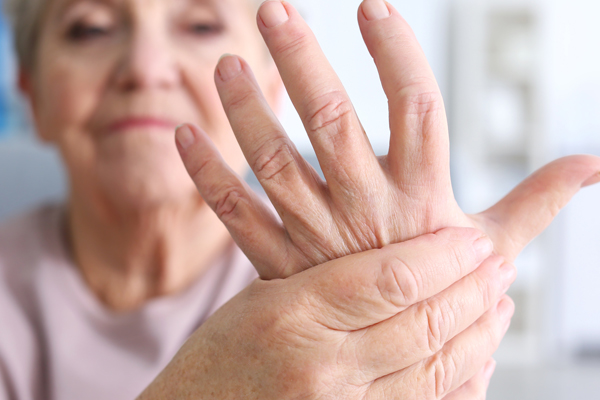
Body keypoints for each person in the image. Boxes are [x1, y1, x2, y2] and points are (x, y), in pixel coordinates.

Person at [0, 0, 598, 399]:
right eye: (91, 28)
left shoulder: (346, 276)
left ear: (271, 86)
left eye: (201, 25)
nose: (146, 67)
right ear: (31, 92)